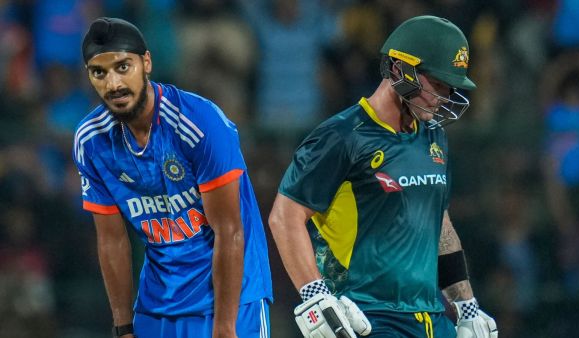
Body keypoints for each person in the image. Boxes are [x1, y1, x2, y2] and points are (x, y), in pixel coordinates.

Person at [268, 15, 498, 338]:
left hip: (430, 317)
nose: (445, 96)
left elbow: (439, 222)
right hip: (367, 317)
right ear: (400, 70)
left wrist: (467, 305)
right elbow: (285, 215)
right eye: (437, 83)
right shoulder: (343, 136)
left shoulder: (434, 138)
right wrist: (314, 296)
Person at [73, 17, 272, 338]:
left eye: (123, 67)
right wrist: (123, 326)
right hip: (158, 307)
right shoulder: (90, 141)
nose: (113, 84)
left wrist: (224, 328)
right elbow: (111, 240)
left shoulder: (201, 123)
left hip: (233, 304)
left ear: (146, 62)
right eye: (100, 72)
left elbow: (231, 231)